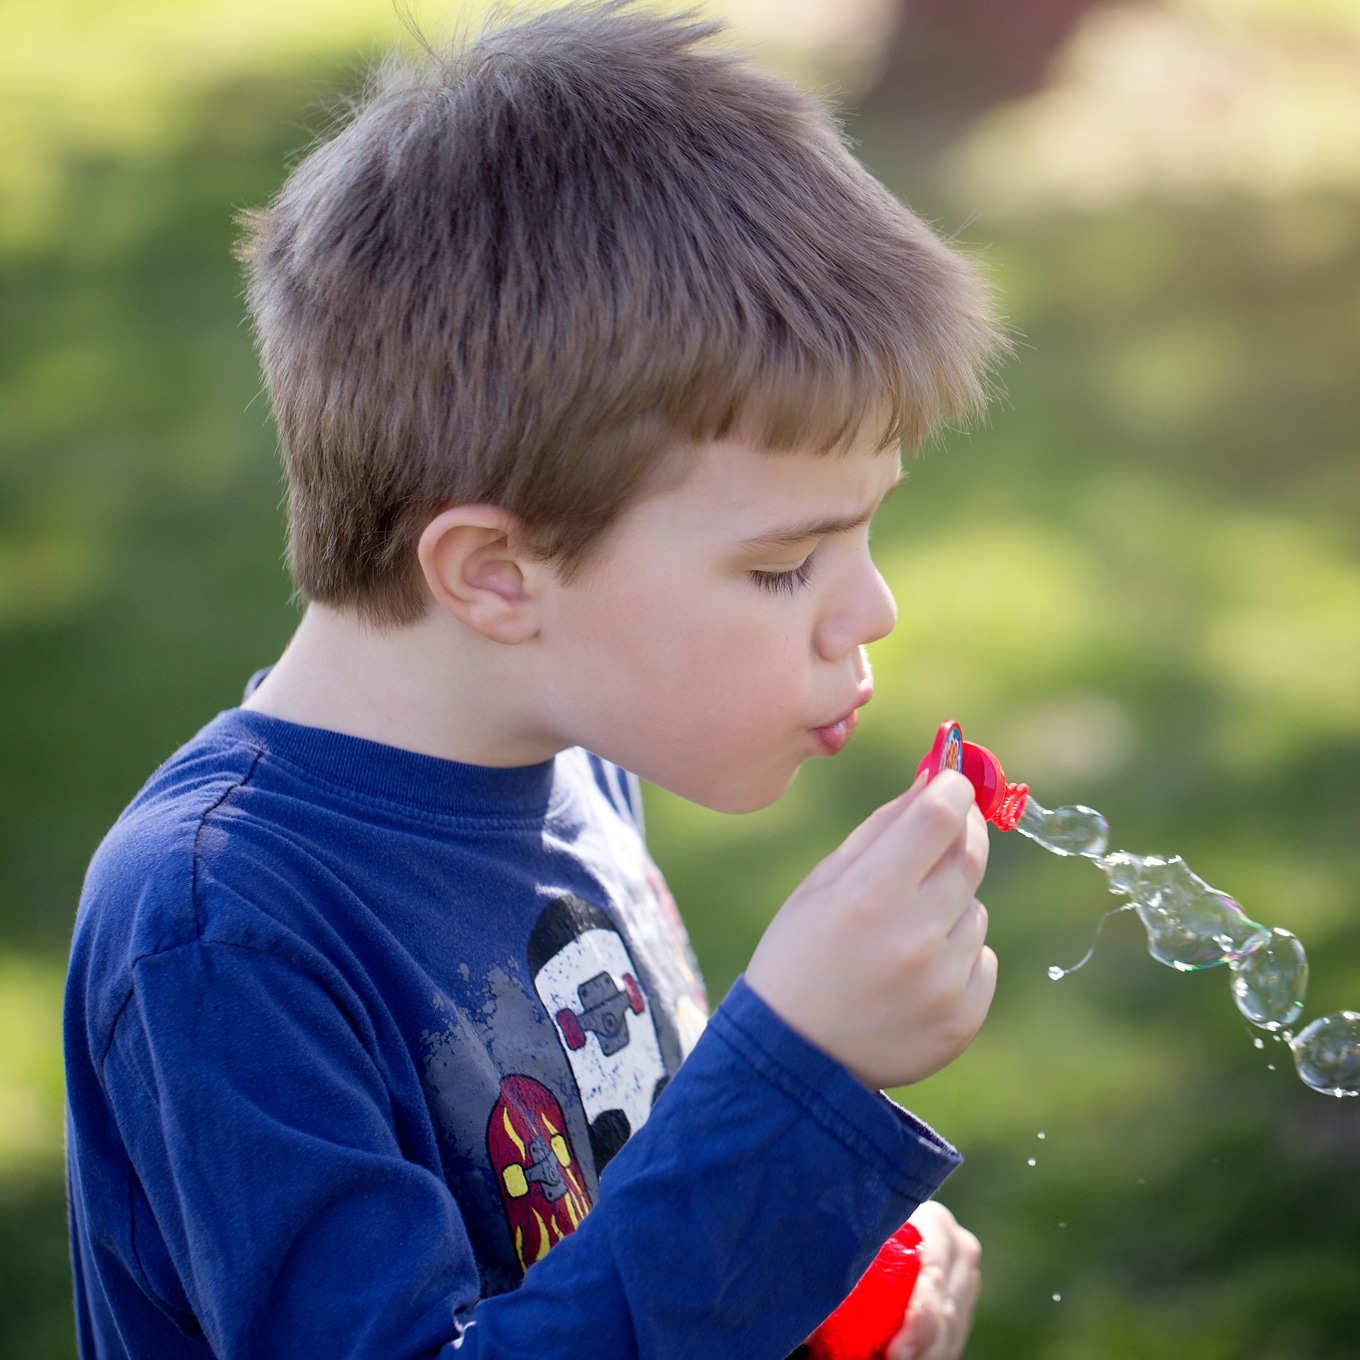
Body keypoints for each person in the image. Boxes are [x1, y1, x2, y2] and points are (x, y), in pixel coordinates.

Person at [64, 5, 1003, 1357]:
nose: (876, 607)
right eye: (786, 565)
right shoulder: (222, 935)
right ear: (497, 575)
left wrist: (804, 1298)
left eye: (865, 528)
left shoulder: (569, 753)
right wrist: (797, 1083)